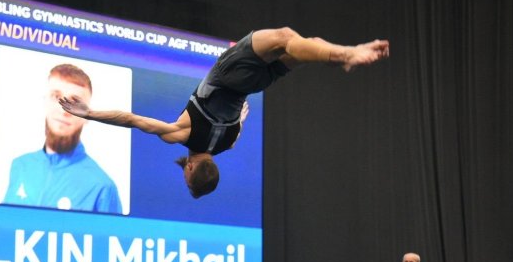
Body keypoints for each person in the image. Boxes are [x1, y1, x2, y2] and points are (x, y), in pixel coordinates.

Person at [59, 28, 389, 197]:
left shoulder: (229, 142)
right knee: (287, 37)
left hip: (256, 83)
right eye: (186, 179)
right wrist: (88, 113)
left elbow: (238, 121)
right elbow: (131, 120)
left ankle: (339, 54)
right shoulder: (182, 134)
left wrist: (241, 118)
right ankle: (345, 54)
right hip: (230, 74)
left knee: (302, 44)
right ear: (189, 170)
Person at [3, 63, 123, 214]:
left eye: (75, 102)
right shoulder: (20, 166)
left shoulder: (103, 187)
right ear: (44, 102)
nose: (63, 110)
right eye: (56, 97)